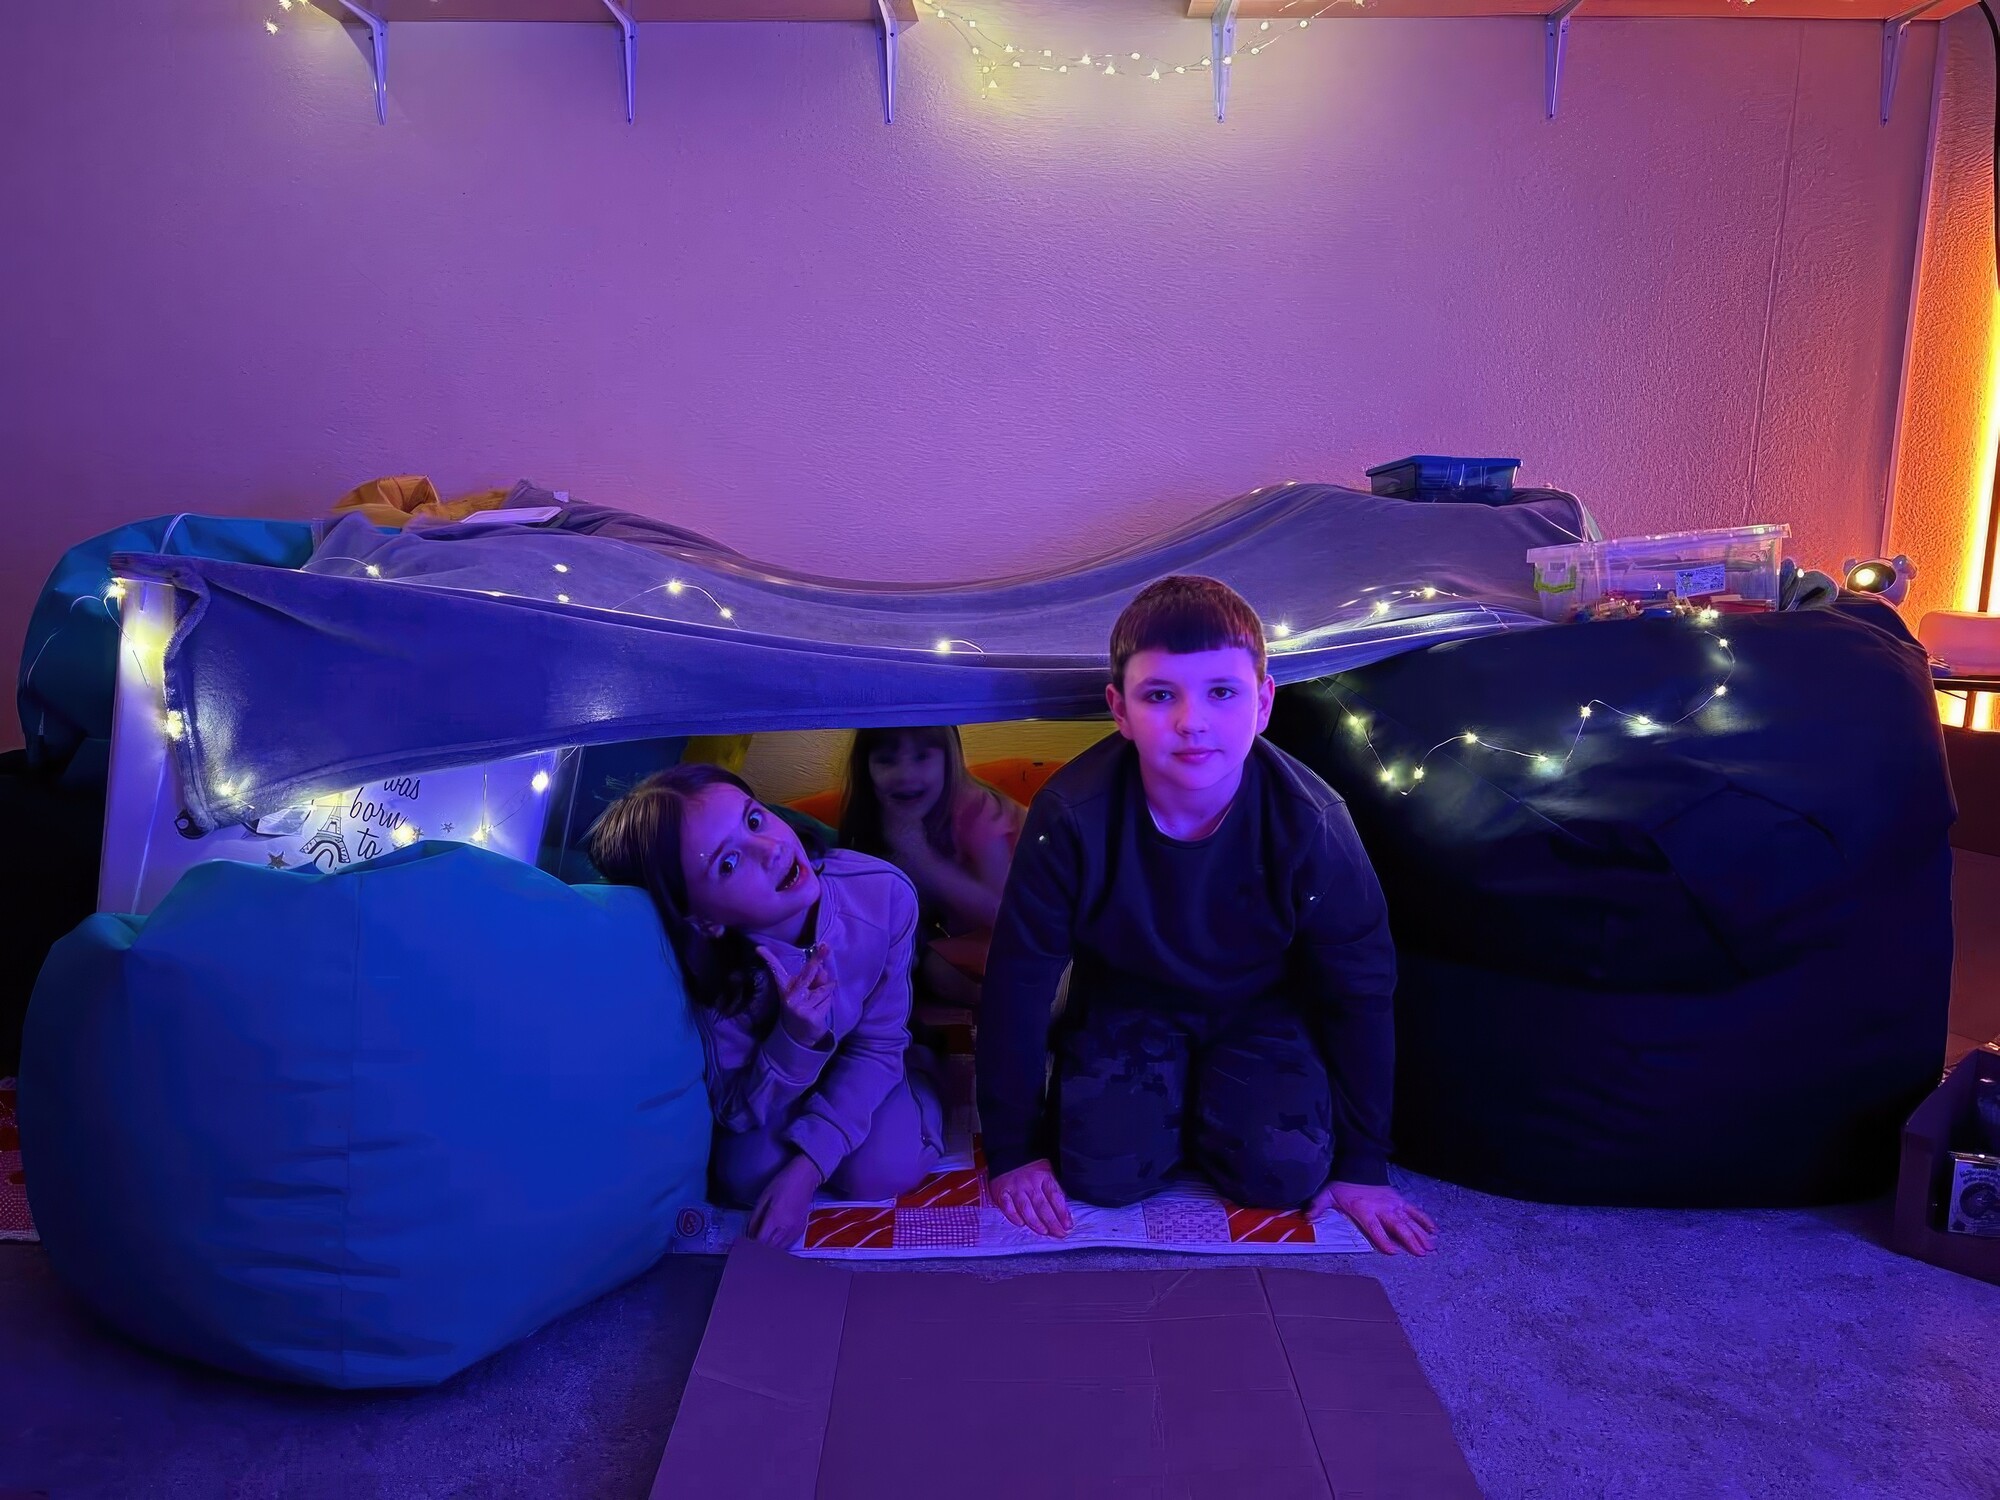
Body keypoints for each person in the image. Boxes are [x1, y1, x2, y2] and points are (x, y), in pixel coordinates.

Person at [976, 575, 1436, 1256]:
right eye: (1160, 695)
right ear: (1121, 710)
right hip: (1126, 1003)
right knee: (1099, 1171)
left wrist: (1364, 1164)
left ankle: (1215, 1104)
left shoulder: (1312, 823)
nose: (1192, 720)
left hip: (1261, 1008)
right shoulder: (1071, 815)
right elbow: (1018, 979)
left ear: (1263, 704)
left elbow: (1361, 990)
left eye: (1222, 693)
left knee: (1284, 1173)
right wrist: (1014, 1149)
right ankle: (1157, 1106)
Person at [588, 764, 943, 1248]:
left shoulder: (882, 893)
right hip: (780, 1086)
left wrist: (809, 1166)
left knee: (883, 1168)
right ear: (704, 920)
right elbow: (734, 1111)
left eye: (754, 821)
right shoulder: (714, 977)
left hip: (869, 1064)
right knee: (744, 1175)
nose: (773, 850)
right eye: (728, 864)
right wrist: (793, 1040)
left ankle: (923, 1075)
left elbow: (878, 1045)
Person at [839, 726, 1026, 1008]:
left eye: (922, 756)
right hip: (978, 937)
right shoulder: (885, 817)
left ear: (949, 760)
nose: (905, 774)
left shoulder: (979, 811)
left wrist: (922, 858)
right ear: (865, 767)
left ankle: (1024, 1008)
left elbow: (1003, 914)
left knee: (935, 969)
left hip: (1036, 932)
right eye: (886, 760)